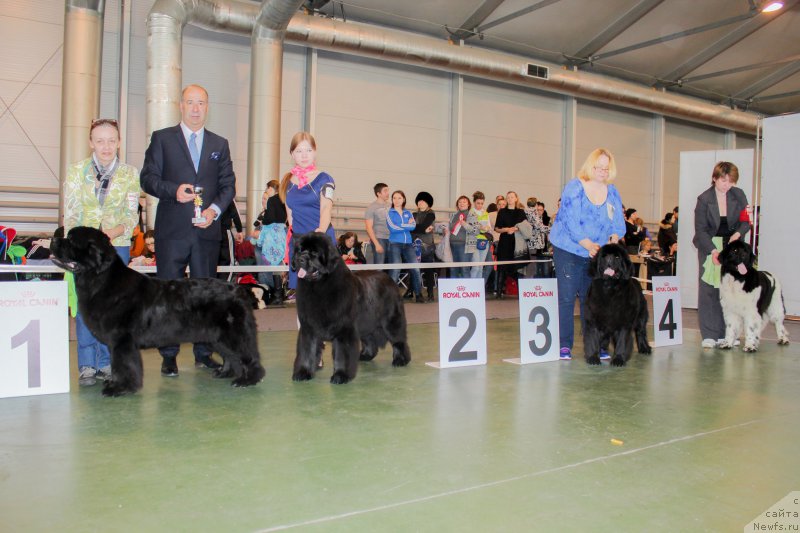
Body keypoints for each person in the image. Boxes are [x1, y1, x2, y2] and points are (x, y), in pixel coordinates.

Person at [140, 84, 235, 376]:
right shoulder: (162, 139)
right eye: (190, 102)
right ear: (180, 106)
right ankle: (168, 354)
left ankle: (204, 352)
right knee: (169, 296)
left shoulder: (220, 144)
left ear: (208, 107)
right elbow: (148, 178)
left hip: (206, 232)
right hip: (172, 232)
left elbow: (228, 186)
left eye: (201, 103)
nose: (195, 108)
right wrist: (173, 191)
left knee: (205, 297)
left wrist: (214, 211)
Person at [64, 118, 140, 386]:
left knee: (113, 308)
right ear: (91, 143)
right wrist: (79, 246)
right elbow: (71, 216)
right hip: (84, 252)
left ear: (119, 142)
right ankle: (87, 364)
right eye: (100, 141)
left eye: (111, 140)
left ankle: (108, 361)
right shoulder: (75, 173)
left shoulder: (130, 174)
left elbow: (132, 216)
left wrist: (112, 232)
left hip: (116, 249)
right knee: (87, 307)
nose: (106, 146)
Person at [549, 148, 626, 360]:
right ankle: (564, 344)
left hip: (596, 254)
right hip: (569, 249)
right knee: (566, 297)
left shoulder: (613, 192)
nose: (602, 171)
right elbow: (569, 221)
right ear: (590, 166)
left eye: (606, 167)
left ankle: (597, 344)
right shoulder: (575, 187)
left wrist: (613, 240)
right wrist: (588, 244)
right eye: (598, 166)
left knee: (592, 300)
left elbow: (618, 224)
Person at [692, 161, 751, 348]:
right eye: (724, 180)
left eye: (731, 181)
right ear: (714, 178)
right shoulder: (704, 199)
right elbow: (700, 230)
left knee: (730, 291)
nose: (727, 185)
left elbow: (746, 221)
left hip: (731, 246)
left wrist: (738, 234)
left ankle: (729, 334)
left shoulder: (739, 194)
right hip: (710, 245)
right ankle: (709, 334)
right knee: (709, 290)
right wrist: (713, 251)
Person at [279, 131, 336, 300]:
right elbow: (291, 217)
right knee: (302, 299)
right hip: (299, 244)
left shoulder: (325, 179)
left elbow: (326, 208)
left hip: (320, 241)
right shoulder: (287, 182)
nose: (304, 155)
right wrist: (290, 246)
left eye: (308, 150)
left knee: (325, 296)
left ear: (315, 152)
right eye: (299, 151)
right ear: (291, 154)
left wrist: (320, 233)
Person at [387, 190, 426, 303]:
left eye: (399, 198)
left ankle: (418, 295)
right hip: (394, 244)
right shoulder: (390, 213)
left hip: (408, 244)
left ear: (403, 199)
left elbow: (413, 226)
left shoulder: (408, 213)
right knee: (395, 269)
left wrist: (405, 225)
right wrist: (407, 225)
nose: (397, 200)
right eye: (394, 198)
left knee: (416, 268)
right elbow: (393, 228)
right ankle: (392, 297)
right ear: (392, 200)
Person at [252, 179, 288, 303]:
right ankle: (278, 292)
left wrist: (264, 222)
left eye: (268, 189)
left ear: (273, 189)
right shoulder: (284, 200)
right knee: (277, 262)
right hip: (282, 233)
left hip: (272, 235)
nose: (267, 191)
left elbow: (269, 219)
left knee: (272, 262)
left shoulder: (272, 200)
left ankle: (275, 293)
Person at [493, 191, 527, 297]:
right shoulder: (502, 211)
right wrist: (507, 229)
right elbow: (497, 228)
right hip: (504, 242)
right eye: (508, 197)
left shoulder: (521, 212)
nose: (510, 199)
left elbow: (525, 227)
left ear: (516, 198)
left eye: (512, 197)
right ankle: (498, 292)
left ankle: (522, 292)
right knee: (502, 267)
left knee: (516, 267)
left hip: (517, 243)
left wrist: (515, 229)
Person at [411, 191, 437, 300]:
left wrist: (416, 228)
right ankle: (411, 291)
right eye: (419, 200)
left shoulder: (431, 214)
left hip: (426, 245)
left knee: (428, 269)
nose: (421, 202)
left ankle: (430, 293)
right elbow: (416, 228)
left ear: (428, 203)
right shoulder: (413, 214)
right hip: (413, 245)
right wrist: (422, 229)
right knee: (413, 269)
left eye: (423, 200)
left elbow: (422, 226)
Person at [447, 195, 476, 279]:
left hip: (465, 246)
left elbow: (476, 231)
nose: (461, 203)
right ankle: (454, 291)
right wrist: (445, 231)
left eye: (464, 202)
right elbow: (450, 228)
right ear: (457, 204)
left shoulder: (472, 215)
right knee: (453, 269)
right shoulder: (453, 215)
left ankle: (466, 291)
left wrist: (465, 225)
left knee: (464, 269)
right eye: (460, 202)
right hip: (452, 245)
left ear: (468, 204)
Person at [468, 191, 492, 279]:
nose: (480, 205)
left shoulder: (486, 213)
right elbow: (470, 227)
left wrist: (486, 228)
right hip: (474, 241)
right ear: (474, 202)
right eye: (478, 203)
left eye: (482, 203)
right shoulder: (470, 212)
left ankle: (478, 288)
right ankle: (472, 288)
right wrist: (480, 228)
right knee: (476, 266)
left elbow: (489, 226)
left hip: (484, 241)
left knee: (481, 267)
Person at [365, 182, 390, 265]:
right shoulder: (371, 207)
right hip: (379, 238)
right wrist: (376, 244)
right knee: (380, 266)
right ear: (378, 194)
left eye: (388, 190)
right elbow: (368, 227)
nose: (388, 193)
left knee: (391, 266)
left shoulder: (391, 206)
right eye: (385, 191)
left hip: (391, 239)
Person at [218, 200, 243, 281]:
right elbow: (234, 213)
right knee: (228, 261)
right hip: (224, 231)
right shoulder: (226, 194)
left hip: (209, 233)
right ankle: (224, 286)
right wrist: (239, 230)